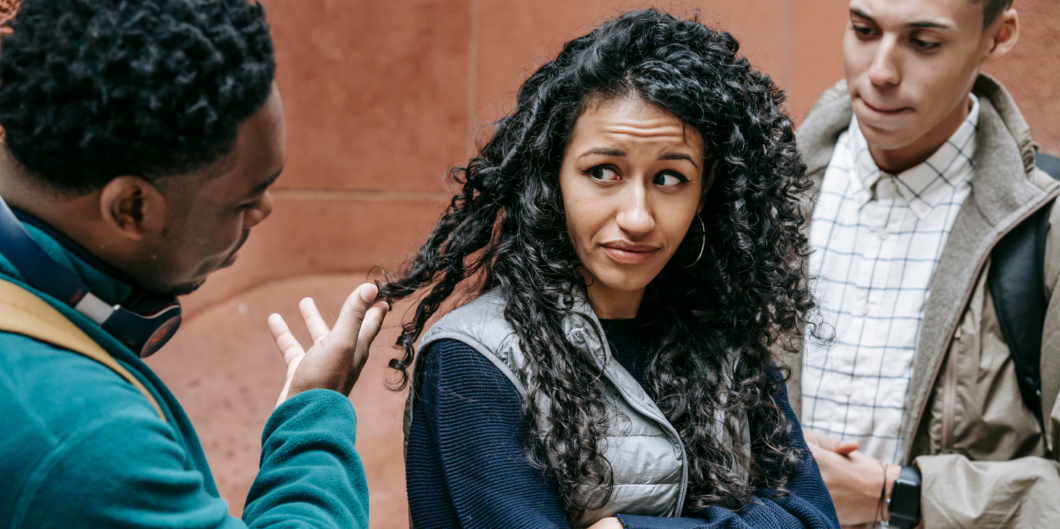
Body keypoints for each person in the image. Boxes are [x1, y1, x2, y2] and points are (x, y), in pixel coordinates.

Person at [380, 9, 839, 529]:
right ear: (551, 176)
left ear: (705, 192)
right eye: (603, 172)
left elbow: (816, 521)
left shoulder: (729, 343)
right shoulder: (476, 359)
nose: (638, 217)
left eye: (670, 178)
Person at [0, 1, 387, 527]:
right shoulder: (84, 438)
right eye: (245, 201)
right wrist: (314, 415)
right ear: (131, 208)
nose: (264, 212)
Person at [791, 0, 1060, 526]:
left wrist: (899, 494)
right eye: (863, 30)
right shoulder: (757, 195)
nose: (881, 71)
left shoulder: (1044, 228)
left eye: (924, 42)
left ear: (998, 37)